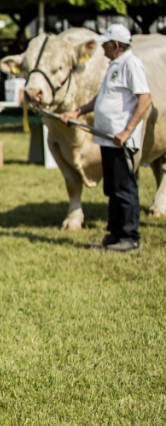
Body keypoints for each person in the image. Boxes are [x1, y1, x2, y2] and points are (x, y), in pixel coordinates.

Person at [60, 24, 151, 254]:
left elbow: (145, 99)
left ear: (117, 46)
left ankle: (130, 237)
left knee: (124, 189)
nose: (102, 48)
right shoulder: (114, 66)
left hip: (120, 140)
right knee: (112, 188)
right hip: (107, 139)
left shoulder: (131, 64)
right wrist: (77, 112)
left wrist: (127, 131)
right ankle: (114, 234)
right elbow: (101, 98)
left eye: (106, 44)